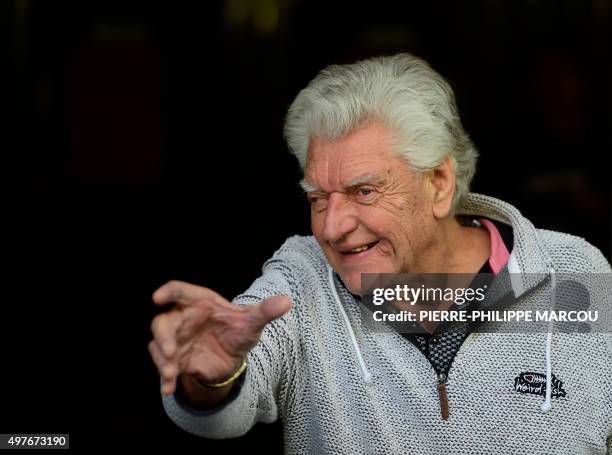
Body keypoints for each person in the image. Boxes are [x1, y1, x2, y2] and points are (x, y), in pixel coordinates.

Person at [149, 53, 612, 454]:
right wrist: (211, 379)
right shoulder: (301, 279)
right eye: (317, 198)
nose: (333, 227)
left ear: (438, 183)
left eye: (364, 191)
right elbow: (221, 410)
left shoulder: (573, 273)